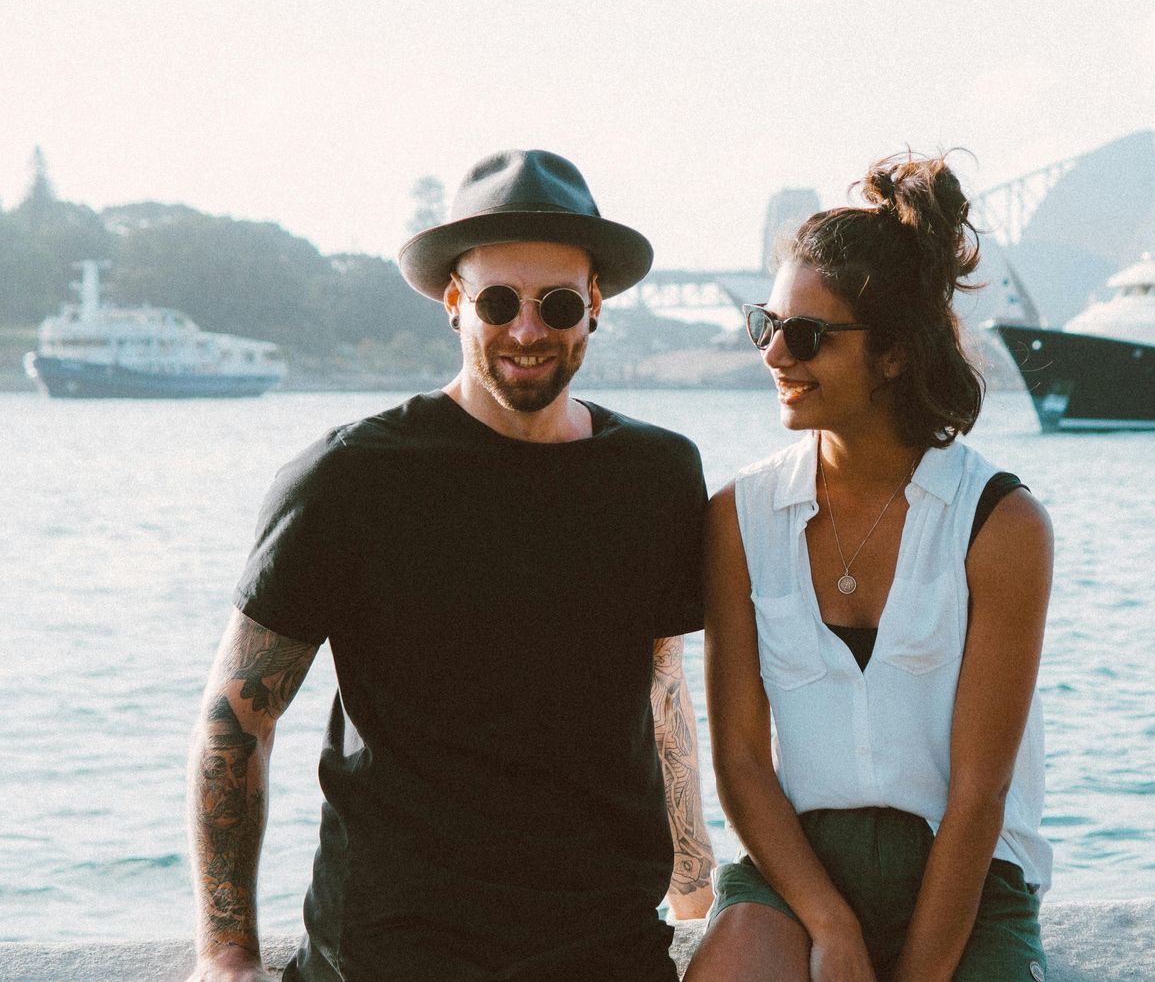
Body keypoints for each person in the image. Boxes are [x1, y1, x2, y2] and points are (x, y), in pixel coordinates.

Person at [184, 149, 714, 982]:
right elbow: (234, 720)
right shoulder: (348, 478)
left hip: (603, 951)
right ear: (455, 302)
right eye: (499, 300)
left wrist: (694, 878)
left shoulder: (658, 474)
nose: (529, 328)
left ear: (596, 306)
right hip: (391, 955)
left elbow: (662, 683)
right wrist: (225, 954)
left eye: (560, 302)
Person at [690, 153, 1053, 982]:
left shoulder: (1000, 524)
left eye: (808, 335)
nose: (777, 353)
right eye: (766, 324)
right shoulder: (738, 519)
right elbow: (742, 760)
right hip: (798, 871)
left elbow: (977, 796)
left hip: (969, 875)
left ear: (892, 353)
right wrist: (831, 924)